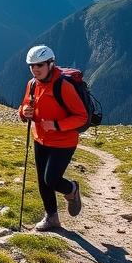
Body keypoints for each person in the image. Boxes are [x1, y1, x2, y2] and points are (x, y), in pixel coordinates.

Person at [18, 45, 87, 231]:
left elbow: (82, 116)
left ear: (51, 63)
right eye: (32, 66)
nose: (35, 69)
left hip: (63, 142)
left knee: (52, 180)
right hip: (39, 139)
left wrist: (57, 125)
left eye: (40, 65)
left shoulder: (63, 86)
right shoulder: (32, 84)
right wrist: (24, 112)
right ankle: (52, 218)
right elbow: (24, 107)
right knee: (42, 181)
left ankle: (72, 190)